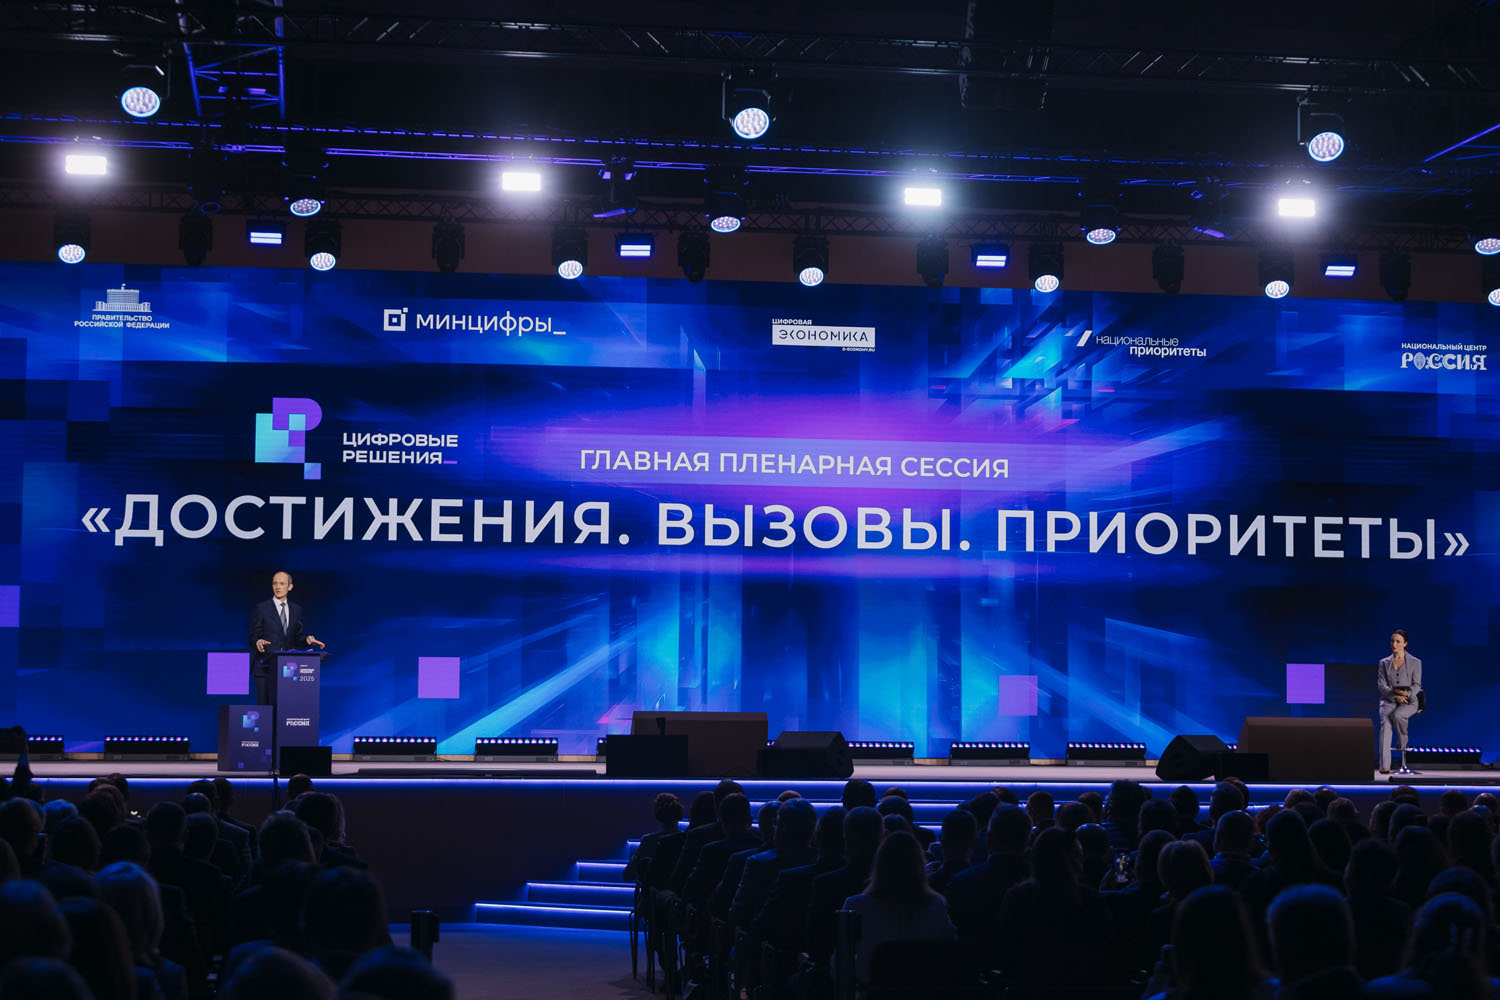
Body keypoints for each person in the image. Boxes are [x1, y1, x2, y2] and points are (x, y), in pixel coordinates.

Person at [840, 830, 955, 988]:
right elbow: (949, 954)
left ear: (879, 863)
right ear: (919, 865)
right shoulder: (937, 906)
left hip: (873, 992)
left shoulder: (856, 906)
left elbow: (840, 966)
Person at [249, 571, 325, 705]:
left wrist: (307, 641)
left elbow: (297, 639)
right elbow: (253, 636)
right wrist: (258, 641)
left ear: (290, 587)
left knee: (285, 709)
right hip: (265, 668)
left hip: (288, 669)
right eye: (275, 583)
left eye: (282, 584)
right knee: (266, 709)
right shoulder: (262, 608)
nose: (277, 587)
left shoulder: (296, 610)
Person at [1377, 628, 1422, 774]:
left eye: (1398, 641)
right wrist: (1395, 696)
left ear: (1405, 643)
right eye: (1392, 641)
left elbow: (1417, 685)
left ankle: (1402, 741)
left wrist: (1407, 694)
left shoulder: (1415, 662)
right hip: (1389, 699)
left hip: (1409, 701)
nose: (1394, 644)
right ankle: (1385, 766)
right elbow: (1381, 685)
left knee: (1398, 715)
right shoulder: (1384, 662)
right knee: (1386, 724)